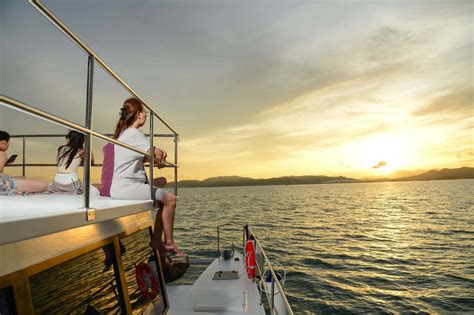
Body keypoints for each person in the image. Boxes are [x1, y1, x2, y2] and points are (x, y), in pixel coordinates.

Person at [110, 97, 184, 257]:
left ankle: (157, 239)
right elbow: (155, 152)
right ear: (138, 114)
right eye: (144, 111)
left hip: (125, 186)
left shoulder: (126, 133)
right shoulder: (133, 134)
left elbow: (145, 157)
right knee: (170, 199)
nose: (145, 114)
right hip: (126, 188)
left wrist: (156, 158)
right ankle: (169, 242)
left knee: (164, 201)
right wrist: (161, 155)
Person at [0, 130, 48, 195]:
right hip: (3, 184)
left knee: (22, 178)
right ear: (3, 143)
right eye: (8, 143)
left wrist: (4, 162)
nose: (8, 145)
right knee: (43, 184)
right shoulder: (2, 153)